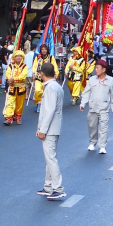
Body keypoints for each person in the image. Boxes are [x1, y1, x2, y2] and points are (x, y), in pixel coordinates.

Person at [36, 62, 65, 201]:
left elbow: (49, 111)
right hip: (52, 127)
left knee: (51, 158)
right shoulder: (55, 86)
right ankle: (48, 186)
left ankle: (58, 188)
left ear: (42, 74)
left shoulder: (51, 88)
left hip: (50, 128)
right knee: (49, 157)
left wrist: (42, 129)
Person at [79, 59, 113, 154]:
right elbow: (86, 93)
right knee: (92, 126)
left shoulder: (111, 81)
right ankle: (92, 142)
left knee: (103, 127)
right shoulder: (91, 80)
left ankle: (102, 146)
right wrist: (83, 104)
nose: (96, 70)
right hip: (93, 108)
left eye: (98, 68)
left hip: (104, 108)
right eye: (95, 68)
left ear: (103, 70)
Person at [2, 49, 29, 125]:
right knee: (9, 102)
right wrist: (8, 78)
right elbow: (7, 74)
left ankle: (18, 118)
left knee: (19, 104)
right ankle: (8, 118)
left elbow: (23, 76)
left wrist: (13, 79)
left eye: (20, 56)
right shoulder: (11, 66)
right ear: (14, 57)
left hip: (21, 88)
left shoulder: (25, 67)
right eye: (17, 56)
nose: (19, 58)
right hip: (12, 87)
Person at [31, 44, 57, 110]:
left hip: (47, 77)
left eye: (45, 49)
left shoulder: (51, 58)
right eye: (42, 49)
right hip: (39, 76)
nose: (44, 51)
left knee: (47, 92)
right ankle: (39, 103)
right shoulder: (38, 57)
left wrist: (56, 74)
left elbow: (54, 66)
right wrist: (33, 74)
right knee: (37, 91)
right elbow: (34, 66)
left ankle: (46, 104)